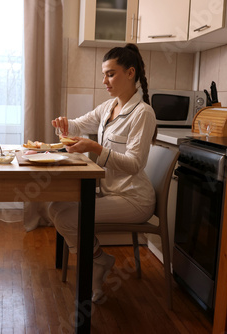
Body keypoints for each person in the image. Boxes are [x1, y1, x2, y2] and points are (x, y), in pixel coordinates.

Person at [49, 43, 157, 302]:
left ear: (130, 73)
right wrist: (63, 124)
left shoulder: (143, 113)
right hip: (111, 191)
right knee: (54, 208)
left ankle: (99, 261)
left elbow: (134, 164)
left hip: (134, 199)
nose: (104, 81)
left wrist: (95, 147)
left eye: (110, 74)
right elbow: (77, 124)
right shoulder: (109, 108)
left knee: (66, 219)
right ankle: (99, 259)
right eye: (104, 74)